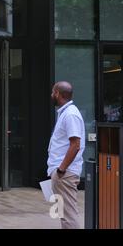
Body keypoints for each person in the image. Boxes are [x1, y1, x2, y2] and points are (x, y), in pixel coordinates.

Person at [48, 81, 85, 229]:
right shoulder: (66, 113)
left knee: (68, 215)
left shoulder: (70, 114)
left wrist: (61, 169)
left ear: (57, 93)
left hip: (65, 173)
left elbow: (75, 144)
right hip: (63, 172)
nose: (51, 95)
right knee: (64, 214)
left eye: (52, 92)